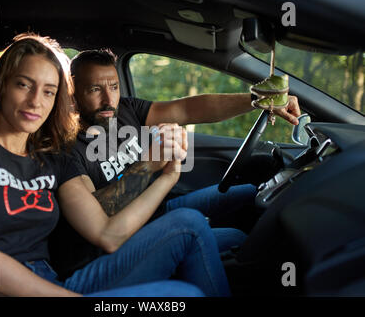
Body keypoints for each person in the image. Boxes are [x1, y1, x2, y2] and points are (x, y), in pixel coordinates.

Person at [0, 33, 230, 297]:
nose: (36, 101)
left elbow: (107, 234)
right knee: (186, 263)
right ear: (0, 85)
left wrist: (166, 175)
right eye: (24, 84)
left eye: (48, 91)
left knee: (185, 286)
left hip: (51, 281)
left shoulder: (52, 159)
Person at [49, 48, 301, 278]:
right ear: (71, 93)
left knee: (251, 194)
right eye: (94, 89)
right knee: (231, 238)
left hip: (155, 211)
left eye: (114, 87)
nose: (108, 99)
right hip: (125, 238)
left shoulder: (126, 110)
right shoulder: (66, 150)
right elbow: (98, 214)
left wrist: (257, 99)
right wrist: (149, 164)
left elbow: (189, 109)